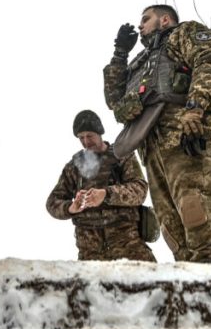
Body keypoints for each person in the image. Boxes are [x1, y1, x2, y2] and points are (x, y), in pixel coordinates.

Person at [103, 5, 211, 263]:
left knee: (203, 228)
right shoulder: (140, 62)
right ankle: (196, 297)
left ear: (164, 19)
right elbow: (114, 100)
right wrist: (120, 54)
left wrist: (195, 109)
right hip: (153, 148)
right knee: (175, 236)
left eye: (146, 19)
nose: (141, 25)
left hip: (190, 137)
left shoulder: (184, 33)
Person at [45, 110, 156, 262]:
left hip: (128, 246)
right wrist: (70, 208)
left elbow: (140, 189)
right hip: (90, 252)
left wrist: (106, 194)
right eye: (81, 137)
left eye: (89, 136)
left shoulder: (121, 155)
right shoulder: (74, 167)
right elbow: (52, 202)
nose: (85, 141)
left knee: (153, 283)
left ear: (99, 132)